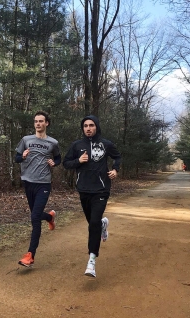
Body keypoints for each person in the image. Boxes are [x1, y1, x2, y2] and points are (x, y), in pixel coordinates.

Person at [63, 115, 121, 277]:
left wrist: (115, 169)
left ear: (97, 127)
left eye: (91, 125)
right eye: (85, 126)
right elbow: (66, 163)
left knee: (93, 223)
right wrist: (78, 161)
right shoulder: (77, 145)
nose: (88, 128)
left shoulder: (106, 144)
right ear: (83, 128)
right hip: (84, 190)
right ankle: (103, 224)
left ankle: (92, 260)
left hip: (101, 190)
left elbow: (117, 156)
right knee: (93, 223)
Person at [15, 111, 61, 267]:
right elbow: (16, 158)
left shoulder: (53, 143)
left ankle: (30, 255)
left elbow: (58, 158)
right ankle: (49, 217)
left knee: (34, 218)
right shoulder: (26, 140)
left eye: (41, 121)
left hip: (43, 183)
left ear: (46, 123)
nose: (38, 124)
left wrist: (54, 163)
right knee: (36, 214)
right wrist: (23, 157)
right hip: (28, 182)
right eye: (36, 121)